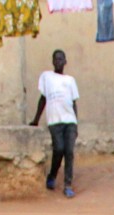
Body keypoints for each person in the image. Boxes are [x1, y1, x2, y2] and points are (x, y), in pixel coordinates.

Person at [30, 50, 79, 198]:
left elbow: (74, 103)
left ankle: (68, 184)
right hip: (54, 121)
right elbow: (43, 99)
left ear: (65, 61)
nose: (58, 62)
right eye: (56, 59)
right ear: (52, 61)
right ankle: (52, 175)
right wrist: (36, 119)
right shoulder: (46, 77)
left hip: (69, 121)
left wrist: (76, 123)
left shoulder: (70, 80)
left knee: (69, 152)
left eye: (61, 59)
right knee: (59, 149)